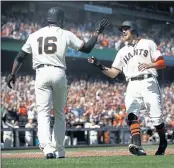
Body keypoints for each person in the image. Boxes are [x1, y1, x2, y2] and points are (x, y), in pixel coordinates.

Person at [6, 7, 108, 159]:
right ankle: (59, 150)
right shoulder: (65, 33)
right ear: (60, 20)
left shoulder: (35, 34)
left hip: (41, 73)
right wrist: (97, 32)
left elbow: (20, 56)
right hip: (59, 72)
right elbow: (86, 48)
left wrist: (12, 74)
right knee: (59, 113)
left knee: (43, 112)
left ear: (48, 20)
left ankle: (47, 148)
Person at [88, 20, 167, 156]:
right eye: (122, 29)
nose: (123, 31)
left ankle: (163, 142)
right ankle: (138, 146)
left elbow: (162, 62)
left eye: (126, 28)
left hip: (149, 82)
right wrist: (99, 65)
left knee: (156, 119)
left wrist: (150, 65)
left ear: (134, 30)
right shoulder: (122, 51)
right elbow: (113, 73)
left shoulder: (148, 43)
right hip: (132, 84)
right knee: (131, 114)